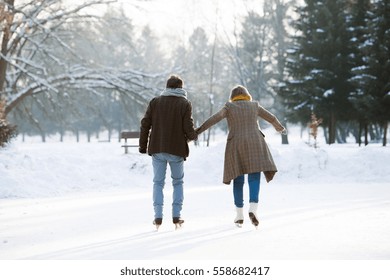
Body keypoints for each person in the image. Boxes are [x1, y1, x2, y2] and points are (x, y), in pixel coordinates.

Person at [196, 85, 286, 228]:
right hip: (255, 143)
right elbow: (271, 117)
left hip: (236, 144)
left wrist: (197, 132)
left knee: (238, 178)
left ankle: (239, 216)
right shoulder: (254, 106)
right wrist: (279, 128)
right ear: (247, 95)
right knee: (254, 176)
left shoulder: (229, 107)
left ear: (233, 97)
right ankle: (253, 209)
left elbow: (214, 119)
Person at [139, 75, 197, 230]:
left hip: (157, 148)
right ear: (180, 88)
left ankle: (157, 217)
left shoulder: (155, 102)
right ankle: (176, 216)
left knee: (158, 183)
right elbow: (188, 127)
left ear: (167, 87)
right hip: (177, 150)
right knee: (177, 182)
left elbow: (145, 124)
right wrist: (193, 135)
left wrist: (143, 146)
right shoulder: (184, 104)